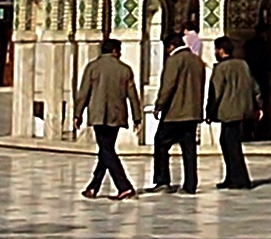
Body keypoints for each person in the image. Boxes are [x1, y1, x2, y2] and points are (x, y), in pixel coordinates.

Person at [72, 38, 144, 200]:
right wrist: (137, 117)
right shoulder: (124, 69)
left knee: (106, 150)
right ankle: (93, 186)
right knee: (107, 149)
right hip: (116, 114)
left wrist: (78, 114)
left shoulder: (92, 68)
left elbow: (83, 93)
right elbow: (132, 96)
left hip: (98, 114)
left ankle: (124, 186)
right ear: (114, 51)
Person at [148, 30, 206, 194]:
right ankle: (190, 184)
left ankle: (162, 180)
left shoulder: (174, 60)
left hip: (175, 113)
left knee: (161, 143)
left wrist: (160, 105)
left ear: (170, 46)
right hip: (192, 112)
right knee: (189, 148)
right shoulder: (197, 61)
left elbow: (168, 85)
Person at [207, 35, 261, 190]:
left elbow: (215, 92)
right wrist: (258, 106)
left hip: (228, 111)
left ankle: (240, 179)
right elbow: (254, 87)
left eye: (216, 49)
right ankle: (231, 177)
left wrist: (210, 112)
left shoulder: (221, 68)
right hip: (242, 110)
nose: (215, 52)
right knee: (229, 142)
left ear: (221, 50)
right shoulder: (243, 65)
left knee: (231, 145)